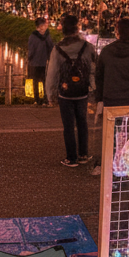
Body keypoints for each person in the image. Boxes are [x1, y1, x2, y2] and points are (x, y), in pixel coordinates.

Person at [46, 14, 96, 167]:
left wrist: (51, 95)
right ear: (77, 28)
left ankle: (71, 158)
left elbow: (52, 74)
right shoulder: (88, 47)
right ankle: (83, 154)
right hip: (82, 92)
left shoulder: (57, 49)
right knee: (82, 122)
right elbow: (94, 69)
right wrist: (94, 89)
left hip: (65, 93)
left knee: (68, 126)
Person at [94, 18, 129, 122]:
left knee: (112, 129)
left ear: (117, 32)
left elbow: (99, 77)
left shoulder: (106, 51)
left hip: (110, 98)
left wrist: (99, 98)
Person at [27, 17, 54, 106]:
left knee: (35, 81)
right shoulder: (47, 36)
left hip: (35, 62)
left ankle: (37, 100)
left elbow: (31, 50)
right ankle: (45, 100)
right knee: (44, 82)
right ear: (41, 26)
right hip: (44, 62)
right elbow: (51, 48)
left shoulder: (33, 36)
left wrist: (29, 59)